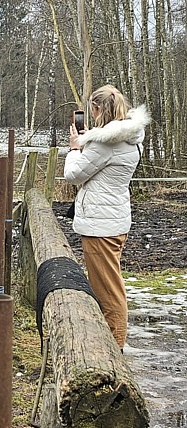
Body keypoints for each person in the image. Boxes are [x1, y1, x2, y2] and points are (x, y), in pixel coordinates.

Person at [64, 84, 150, 350]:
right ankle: (112, 344)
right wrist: (91, 139)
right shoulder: (128, 138)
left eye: (93, 110)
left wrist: (75, 148)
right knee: (110, 284)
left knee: (108, 292)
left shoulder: (106, 145)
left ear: (100, 109)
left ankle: (113, 349)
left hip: (101, 225)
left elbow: (74, 175)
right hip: (114, 218)